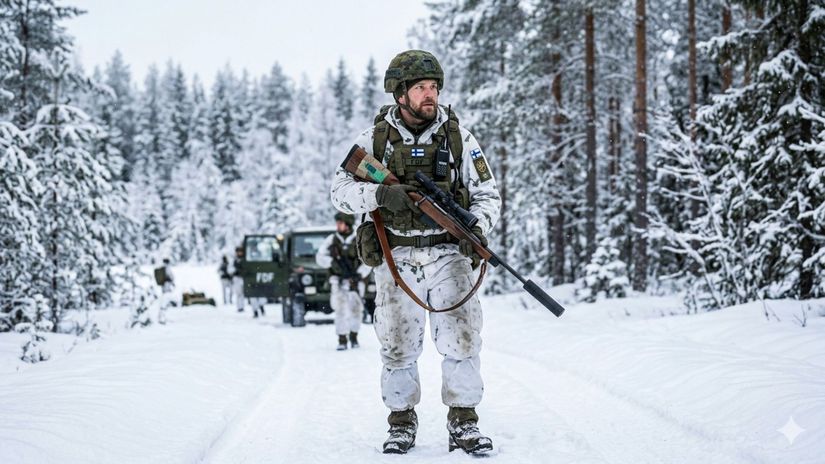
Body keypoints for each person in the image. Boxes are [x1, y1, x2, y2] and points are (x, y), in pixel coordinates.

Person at [330, 50, 501, 455]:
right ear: (400, 93)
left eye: (434, 87)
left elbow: (487, 194)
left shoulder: (459, 138)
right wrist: (381, 192)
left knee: (462, 337)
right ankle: (401, 422)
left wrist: (476, 229)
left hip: (448, 254)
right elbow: (340, 192)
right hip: (396, 257)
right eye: (421, 87)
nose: (430, 95)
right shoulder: (372, 142)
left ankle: (464, 422)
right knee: (397, 342)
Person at [315, 212, 371, 351]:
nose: (338, 225)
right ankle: (342, 338)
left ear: (348, 224)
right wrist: (332, 262)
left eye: (341, 223)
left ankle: (354, 335)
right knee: (340, 310)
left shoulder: (358, 238)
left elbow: (369, 259)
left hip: (356, 281)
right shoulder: (332, 239)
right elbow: (320, 257)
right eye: (338, 223)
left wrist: (360, 274)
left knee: (356, 309)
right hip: (338, 280)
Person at [232, 247, 246, 313]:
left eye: (240, 251)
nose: (239, 253)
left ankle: (242, 306)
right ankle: (239, 307)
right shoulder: (235, 260)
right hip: (237, 278)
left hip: (243, 278)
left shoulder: (244, 259)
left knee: (243, 293)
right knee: (238, 293)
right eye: (238, 252)